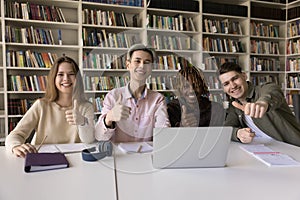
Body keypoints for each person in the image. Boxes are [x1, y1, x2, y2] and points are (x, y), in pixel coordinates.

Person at [5, 56, 95, 157]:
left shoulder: (87, 107)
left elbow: (89, 140)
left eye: (71, 74)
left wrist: (82, 122)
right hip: (43, 159)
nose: (66, 79)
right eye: (60, 74)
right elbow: (15, 135)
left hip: (76, 162)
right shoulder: (41, 105)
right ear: (53, 78)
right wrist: (15, 146)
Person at [95, 43, 170, 142]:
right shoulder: (113, 96)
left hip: (146, 155)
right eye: (137, 61)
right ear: (128, 65)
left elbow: (164, 130)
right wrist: (109, 118)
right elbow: (99, 137)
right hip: (119, 156)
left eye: (147, 62)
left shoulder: (158, 99)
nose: (142, 66)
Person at [218, 62, 300, 146]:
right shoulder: (235, 105)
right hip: (265, 149)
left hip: (292, 147)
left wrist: (262, 103)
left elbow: (273, 91)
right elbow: (227, 129)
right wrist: (238, 133)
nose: (232, 86)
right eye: (226, 84)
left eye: (235, 79)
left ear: (244, 76)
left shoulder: (263, 89)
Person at [167, 62, 225, 127]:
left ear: (202, 86)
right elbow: (168, 135)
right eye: (186, 86)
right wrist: (182, 125)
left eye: (196, 85)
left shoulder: (216, 109)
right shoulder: (172, 109)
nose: (192, 90)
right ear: (180, 89)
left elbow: (220, 134)